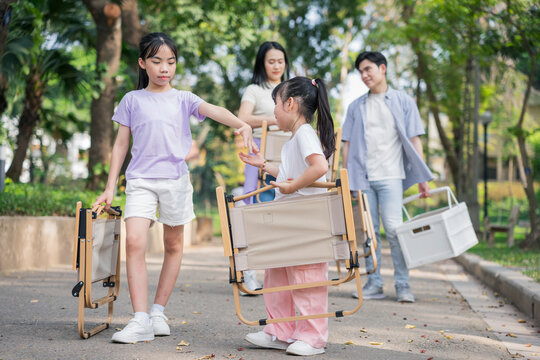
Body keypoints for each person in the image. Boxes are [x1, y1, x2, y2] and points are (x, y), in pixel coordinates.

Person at [93, 32, 255, 344]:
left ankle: (157, 312)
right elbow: (120, 145)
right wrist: (110, 187)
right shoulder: (131, 100)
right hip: (140, 180)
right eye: (156, 61)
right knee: (135, 242)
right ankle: (140, 319)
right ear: (143, 63)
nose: (164, 67)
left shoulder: (184, 99)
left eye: (170, 61)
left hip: (175, 180)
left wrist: (241, 124)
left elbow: (213, 110)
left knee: (173, 246)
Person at [238, 76, 335, 356]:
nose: (274, 113)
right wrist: (264, 166)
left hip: (307, 224)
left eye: (276, 106)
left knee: (307, 281)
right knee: (277, 277)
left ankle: (313, 338)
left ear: (290, 103)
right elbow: (288, 173)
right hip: (290, 222)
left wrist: (292, 187)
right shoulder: (294, 139)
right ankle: (280, 331)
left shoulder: (305, 133)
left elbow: (319, 167)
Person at [341, 51, 433, 303]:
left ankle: (403, 284)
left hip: (392, 176)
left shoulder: (403, 101)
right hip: (363, 178)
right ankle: (374, 283)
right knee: (369, 233)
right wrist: (346, 178)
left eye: (368, 69)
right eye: (361, 71)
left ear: (382, 69)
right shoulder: (356, 106)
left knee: (394, 230)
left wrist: (422, 176)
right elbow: (346, 144)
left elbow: (415, 139)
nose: (364, 75)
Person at [237, 41, 290, 293]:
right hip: (259, 151)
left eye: (280, 61)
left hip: (286, 153)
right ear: (262, 63)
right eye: (271, 61)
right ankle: (249, 273)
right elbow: (242, 118)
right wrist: (273, 120)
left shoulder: (290, 89)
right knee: (254, 209)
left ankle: (277, 275)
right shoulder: (254, 90)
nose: (277, 65)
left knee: (280, 212)